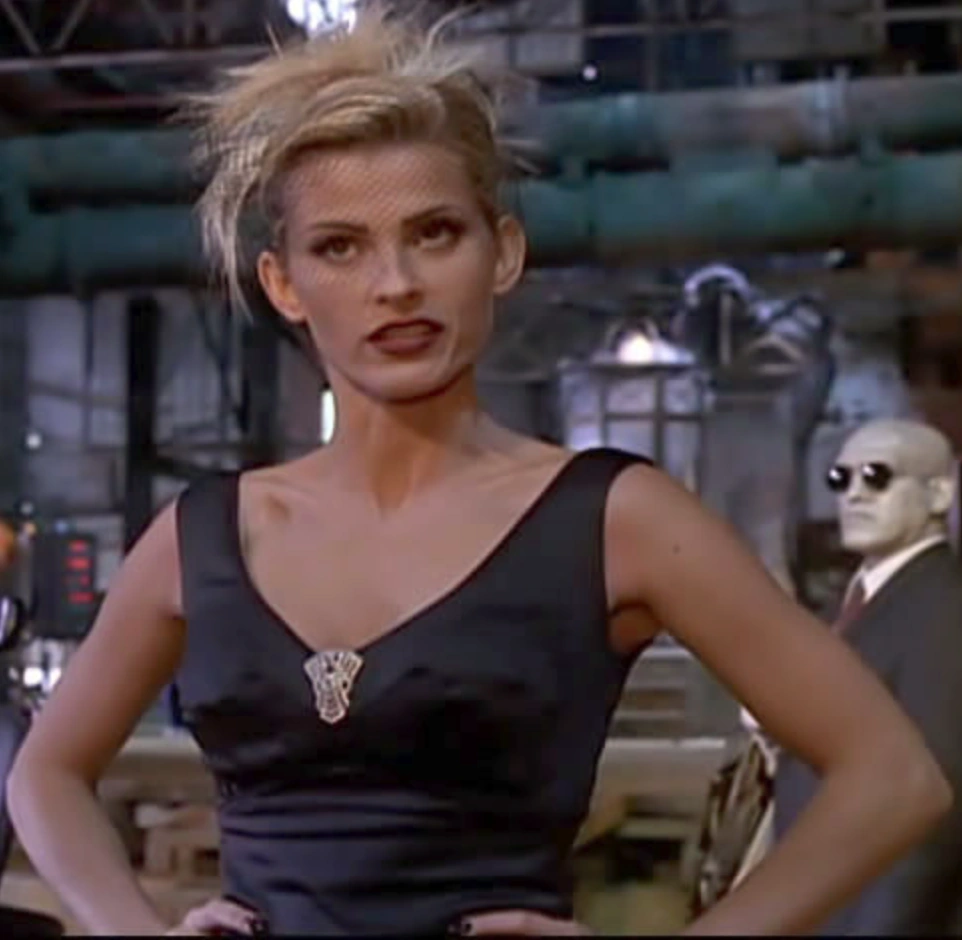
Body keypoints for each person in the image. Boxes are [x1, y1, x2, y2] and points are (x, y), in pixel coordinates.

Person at [6, 7, 951, 936]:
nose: (395, 285)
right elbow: (43, 774)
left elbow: (893, 778)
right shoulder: (204, 536)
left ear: (502, 252)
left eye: (435, 234)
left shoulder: (614, 520)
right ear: (283, 284)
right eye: (340, 247)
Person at [775, 418, 962, 935]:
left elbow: (936, 802)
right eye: (840, 478)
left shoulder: (946, 611)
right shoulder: (856, 601)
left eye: (878, 476)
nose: (854, 494)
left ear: (940, 494)